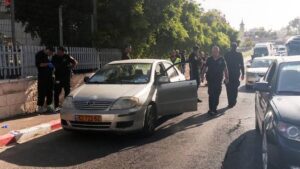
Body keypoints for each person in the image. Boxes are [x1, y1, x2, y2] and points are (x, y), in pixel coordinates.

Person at [202, 46, 229, 115]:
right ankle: (211, 109)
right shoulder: (209, 59)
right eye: (213, 51)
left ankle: (214, 107)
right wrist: (202, 76)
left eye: (216, 51)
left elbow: (225, 69)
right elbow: (205, 67)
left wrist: (226, 77)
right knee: (211, 94)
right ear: (212, 52)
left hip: (218, 80)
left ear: (218, 51)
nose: (214, 52)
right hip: (210, 80)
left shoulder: (222, 59)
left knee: (217, 95)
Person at [52, 47, 78, 112]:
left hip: (66, 77)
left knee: (67, 92)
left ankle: (66, 106)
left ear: (63, 52)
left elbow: (75, 62)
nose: (58, 52)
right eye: (58, 51)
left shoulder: (67, 56)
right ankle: (56, 107)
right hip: (58, 77)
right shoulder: (54, 57)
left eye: (59, 51)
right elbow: (52, 65)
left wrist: (71, 67)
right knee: (57, 92)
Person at [224, 42, 245, 108]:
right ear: (236, 47)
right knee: (234, 88)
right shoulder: (239, 54)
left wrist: (243, 74)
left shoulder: (227, 54)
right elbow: (242, 65)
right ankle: (232, 101)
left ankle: (231, 102)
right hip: (234, 73)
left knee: (229, 88)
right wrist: (243, 74)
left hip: (230, 74)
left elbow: (224, 65)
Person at [35, 46, 55, 113]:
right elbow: (39, 64)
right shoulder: (39, 54)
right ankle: (40, 107)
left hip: (49, 76)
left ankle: (49, 106)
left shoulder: (47, 56)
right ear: (47, 50)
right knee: (42, 91)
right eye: (50, 53)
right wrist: (48, 64)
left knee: (50, 91)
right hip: (42, 76)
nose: (50, 54)